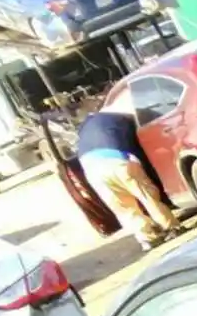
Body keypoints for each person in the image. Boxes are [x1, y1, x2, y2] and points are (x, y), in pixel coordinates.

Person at [75, 101, 179, 250]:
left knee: (123, 206)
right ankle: (171, 227)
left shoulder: (84, 128)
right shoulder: (120, 119)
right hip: (118, 160)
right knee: (147, 195)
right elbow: (137, 145)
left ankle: (148, 237)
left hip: (91, 169)